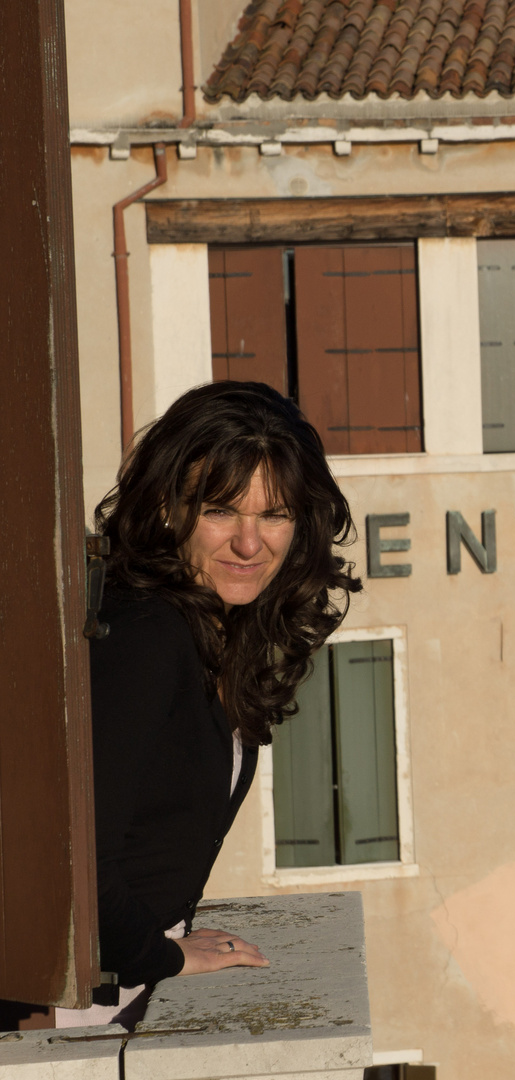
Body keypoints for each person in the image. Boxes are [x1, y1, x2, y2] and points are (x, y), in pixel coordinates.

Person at [60, 382, 359, 1026]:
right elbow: (77, 857)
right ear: (168, 507)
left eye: (273, 515)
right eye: (222, 510)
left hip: (118, 991)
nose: (250, 545)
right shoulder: (144, 636)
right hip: (78, 1008)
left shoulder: (217, 628)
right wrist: (163, 957)